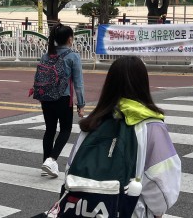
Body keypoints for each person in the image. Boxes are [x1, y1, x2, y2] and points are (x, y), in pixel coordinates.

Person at [65, 56, 181, 217]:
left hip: (83, 209)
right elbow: (162, 184)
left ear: (109, 84)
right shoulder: (151, 126)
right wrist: (158, 211)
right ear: (143, 84)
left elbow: (70, 169)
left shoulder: (93, 122)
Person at [39, 24, 85, 178]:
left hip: (46, 98)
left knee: (50, 130)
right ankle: (51, 160)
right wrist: (81, 104)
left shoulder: (46, 55)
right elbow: (78, 83)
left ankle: (46, 163)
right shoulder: (73, 56)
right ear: (69, 39)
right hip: (63, 99)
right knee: (65, 129)